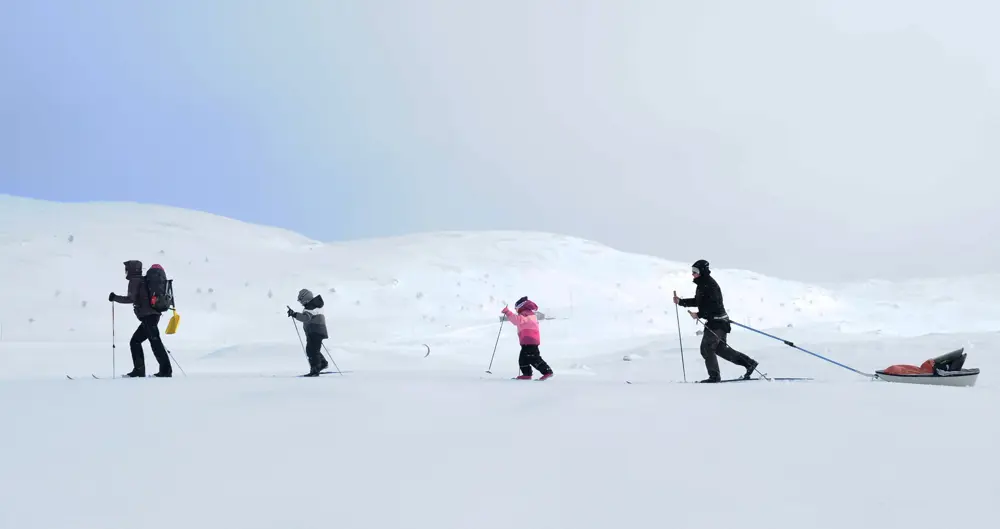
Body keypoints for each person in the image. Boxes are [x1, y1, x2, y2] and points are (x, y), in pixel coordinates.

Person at [673, 259, 758, 383]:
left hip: (717, 322)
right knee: (720, 349)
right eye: (692, 271)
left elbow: (713, 305)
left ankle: (714, 377)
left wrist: (699, 314)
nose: (693, 274)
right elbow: (699, 301)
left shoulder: (709, 285)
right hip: (719, 322)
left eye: (695, 271)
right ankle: (749, 363)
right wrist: (681, 302)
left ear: (702, 271)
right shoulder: (703, 284)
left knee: (706, 348)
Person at [109, 260, 172, 377]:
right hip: (153, 315)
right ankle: (144, 370)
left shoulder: (135, 281)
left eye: (127, 269)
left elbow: (131, 299)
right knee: (140, 341)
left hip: (149, 316)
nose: (126, 272)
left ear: (131, 269)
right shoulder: (142, 280)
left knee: (150, 342)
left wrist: (115, 298)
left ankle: (163, 371)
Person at [502, 296, 553, 380]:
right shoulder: (527, 313)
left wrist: (508, 312)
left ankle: (547, 371)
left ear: (521, 307)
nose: (516, 310)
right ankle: (526, 374)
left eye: (516, 308)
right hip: (527, 340)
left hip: (530, 339)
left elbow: (516, 320)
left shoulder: (527, 314)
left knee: (533, 357)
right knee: (523, 359)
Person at [287, 288, 330, 376]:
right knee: (312, 350)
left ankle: (315, 369)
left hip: (315, 332)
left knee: (312, 351)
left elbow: (306, 318)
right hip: (316, 331)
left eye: (300, 301)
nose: (300, 303)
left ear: (305, 299)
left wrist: (294, 314)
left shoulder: (310, 307)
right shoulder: (314, 305)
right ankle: (322, 364)